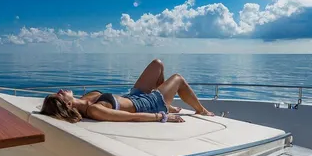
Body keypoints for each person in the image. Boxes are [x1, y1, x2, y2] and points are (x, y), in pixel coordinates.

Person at [39, 59, 214, 123]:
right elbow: (131, 117)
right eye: (59, 94)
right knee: (178, 79)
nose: (60, 90)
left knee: (157, 65)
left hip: (134, 96)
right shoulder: (94, 109)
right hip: (149, 104)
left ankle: (167, 104)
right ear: (68, 104)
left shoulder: (84, 100)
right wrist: (162, 116)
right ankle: (201, 110)